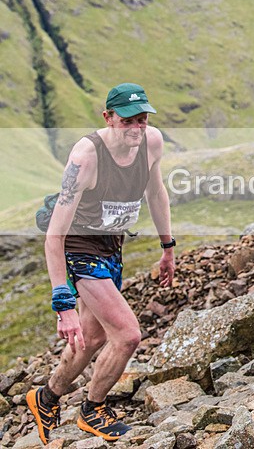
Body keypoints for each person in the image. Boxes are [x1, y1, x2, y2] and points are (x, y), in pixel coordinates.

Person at [26, 83, 176, 444]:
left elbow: (156, 192)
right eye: (127, 121)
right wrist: (63, 304)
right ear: (108, 117)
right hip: (80, 248)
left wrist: (167, 246)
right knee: (127, 335)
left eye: (142, 119)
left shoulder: (152, 142)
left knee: (92, 337)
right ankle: (93, 410)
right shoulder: (86, 157)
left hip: (112, 246)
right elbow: (54, 237)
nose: (136, 128)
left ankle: (46, 398)